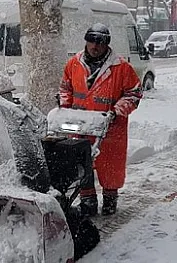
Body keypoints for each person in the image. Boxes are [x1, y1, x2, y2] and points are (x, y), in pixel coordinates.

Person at [58, 24, 143, 216]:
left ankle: (110, 200)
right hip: (81, 126)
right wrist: (65, 108)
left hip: (110, 128)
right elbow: (65, 88)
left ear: (106, 45)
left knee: (110, 165)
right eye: (91, 42)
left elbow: (134, 93)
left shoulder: (121, 67)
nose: (94, 47)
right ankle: (88, 201)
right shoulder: (73, 64)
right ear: (86, 42)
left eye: (99, 43)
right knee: (82, 163)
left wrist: (116, 111)